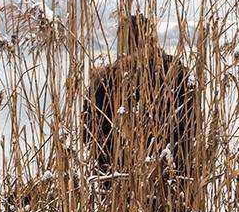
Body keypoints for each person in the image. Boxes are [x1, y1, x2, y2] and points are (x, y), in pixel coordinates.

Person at [82, 14, 197, 177]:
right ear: (152, 38)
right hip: (173, 176)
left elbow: (88, 135)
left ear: (121, 43)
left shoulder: (104, 80)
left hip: (116, 180)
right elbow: (193, 124)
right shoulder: (177, 72)